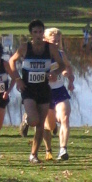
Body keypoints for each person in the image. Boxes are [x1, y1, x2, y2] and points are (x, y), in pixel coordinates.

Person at [9, 19, 64, 163]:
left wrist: (55, 73)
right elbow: (11, 62)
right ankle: (27, 119)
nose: (38, 35)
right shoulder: (24, 48)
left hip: (44, 89)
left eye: (40, 32)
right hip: (28, 89)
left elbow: (62, 64)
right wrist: (17, 79)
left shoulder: (50, 48)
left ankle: (33, 155)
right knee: (34, 120)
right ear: (31, 34)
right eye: (35, 32)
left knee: (41, 125)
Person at [42, 27, 75, 161]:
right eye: (53, 41)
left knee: (65, 118)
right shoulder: (40, 56)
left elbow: (68, 68)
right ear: (45, 41)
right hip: (45, 92)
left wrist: (70, 79)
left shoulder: (61, 54)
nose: (56, 44)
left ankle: (63, 150)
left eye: (58, 41)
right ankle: (48, 150)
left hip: (60, 90)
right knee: (49, 126)